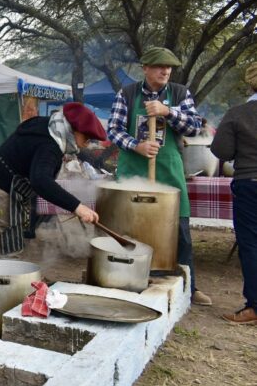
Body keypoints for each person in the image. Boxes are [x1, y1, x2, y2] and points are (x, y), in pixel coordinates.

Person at [107, 46, 211, 306]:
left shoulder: (179, 93)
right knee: (130, 228)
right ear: (145, 69)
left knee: (180, 229)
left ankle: (188, 285)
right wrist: (136, 145)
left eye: (169, 67)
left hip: (168, 170)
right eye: (159, 67)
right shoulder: (128, 94)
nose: (165, 71)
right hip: (133, 170)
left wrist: (168, 112)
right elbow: (113, 130)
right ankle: (126, 278)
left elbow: (195, 126)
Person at [0, 102, 105, 256]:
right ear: (74, 130)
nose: (86, 145)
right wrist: (77, 206)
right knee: (5, 248)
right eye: (86, 139)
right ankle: (4, 279)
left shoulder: (46, 125)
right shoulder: (51, 145)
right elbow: (40, 180)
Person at [210, 62, 257, 324]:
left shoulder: (238, 114)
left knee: (251, 244)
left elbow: (222, 151)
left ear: (250, 83)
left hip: (250, 182)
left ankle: (255, 307)